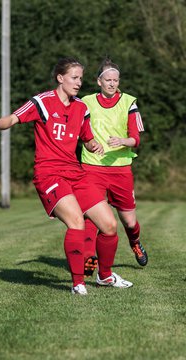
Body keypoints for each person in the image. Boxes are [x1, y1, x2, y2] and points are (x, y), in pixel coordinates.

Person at [0, 57, 133, 295]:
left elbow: (87, 139)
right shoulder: (42, 102)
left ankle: (105, 277)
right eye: (74, 78)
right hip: (49, 174)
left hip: (76, 172)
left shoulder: (81, 108)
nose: (78, 83)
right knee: (76, 222)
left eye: (81, 79)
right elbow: (14, 118)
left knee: (109, 225)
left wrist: (93, 145)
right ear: (60, 78)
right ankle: (78, 284)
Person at [81, 57, 148, 274]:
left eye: (115, 80)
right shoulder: (86, 102)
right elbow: (78, 129)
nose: (112, 83)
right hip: (92, 167)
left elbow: (136, 138)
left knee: (129, 222)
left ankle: (135, 243)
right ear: (98, 81)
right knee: (92, 215)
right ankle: (90, 257)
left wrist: (122, 141)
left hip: (120, 169)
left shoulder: (129, 102)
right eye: (108, 80)